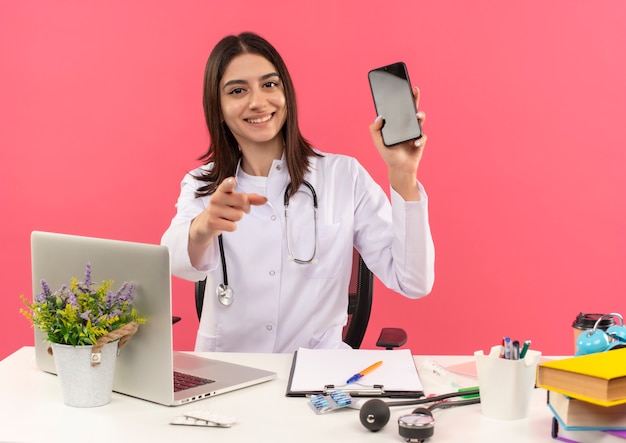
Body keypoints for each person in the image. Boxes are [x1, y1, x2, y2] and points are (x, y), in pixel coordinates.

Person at [161, 32, 435, 353]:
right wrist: (203, 227)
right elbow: (177, 262)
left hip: (316, 379)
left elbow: (414, 282)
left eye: (270, 85)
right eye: (238, 90)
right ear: (218, 108)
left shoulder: (343, 176)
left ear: (286, 93)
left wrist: (403, 176)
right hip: (230, 374)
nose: (258, 102)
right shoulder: (203, 184)